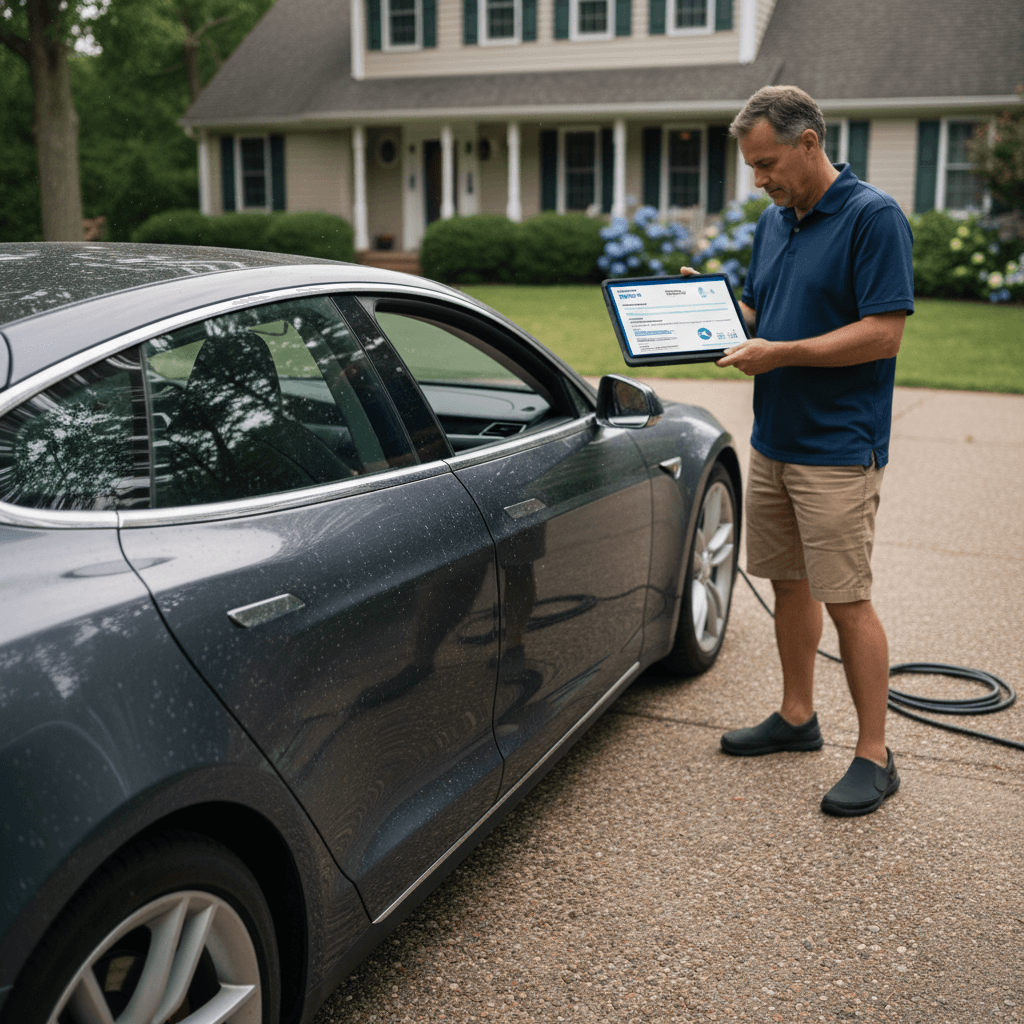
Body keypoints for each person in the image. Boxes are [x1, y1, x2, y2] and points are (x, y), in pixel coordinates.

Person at [683, 85, 914, 816]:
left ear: (809, 143)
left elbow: (883, 333)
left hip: (837, 447)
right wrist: (710, 311)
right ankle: (796, 716)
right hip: (774, 438)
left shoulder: (874, 218)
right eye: (753, 167)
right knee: (788, 584)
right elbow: (761, 312)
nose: (759, 180)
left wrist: (780, 352)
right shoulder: (774, 220)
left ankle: (875, 756)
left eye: (767, 163)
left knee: (847, 599)